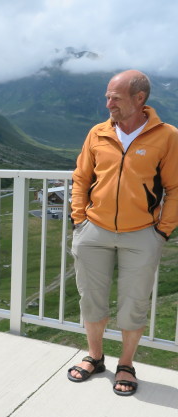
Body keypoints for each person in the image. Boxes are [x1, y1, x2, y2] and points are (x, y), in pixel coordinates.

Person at [67, 70, 178, 396]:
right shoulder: (98, 133)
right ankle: (96, 357)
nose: (108, 103)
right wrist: (79, 221)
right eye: (107, 96)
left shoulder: (167, 136)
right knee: (92, 300)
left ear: (139, 99)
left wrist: (161, 232)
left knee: (134, 303)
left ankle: (126, 364)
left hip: (142, 235)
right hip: (94, 231)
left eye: (115, 97)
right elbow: (81, 178)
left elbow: (174, 187)